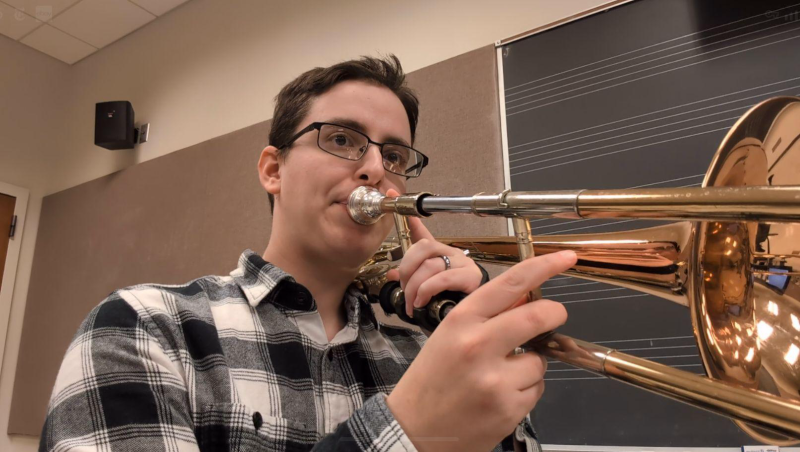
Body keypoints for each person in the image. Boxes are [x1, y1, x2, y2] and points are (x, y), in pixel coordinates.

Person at [39, 55, 576, 452]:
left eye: (393, 154)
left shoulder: (424, 354)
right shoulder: (146, 328)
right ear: (273, 170)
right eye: (342, 139)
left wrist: (482, 341)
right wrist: (407, 431)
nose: (374, 168)